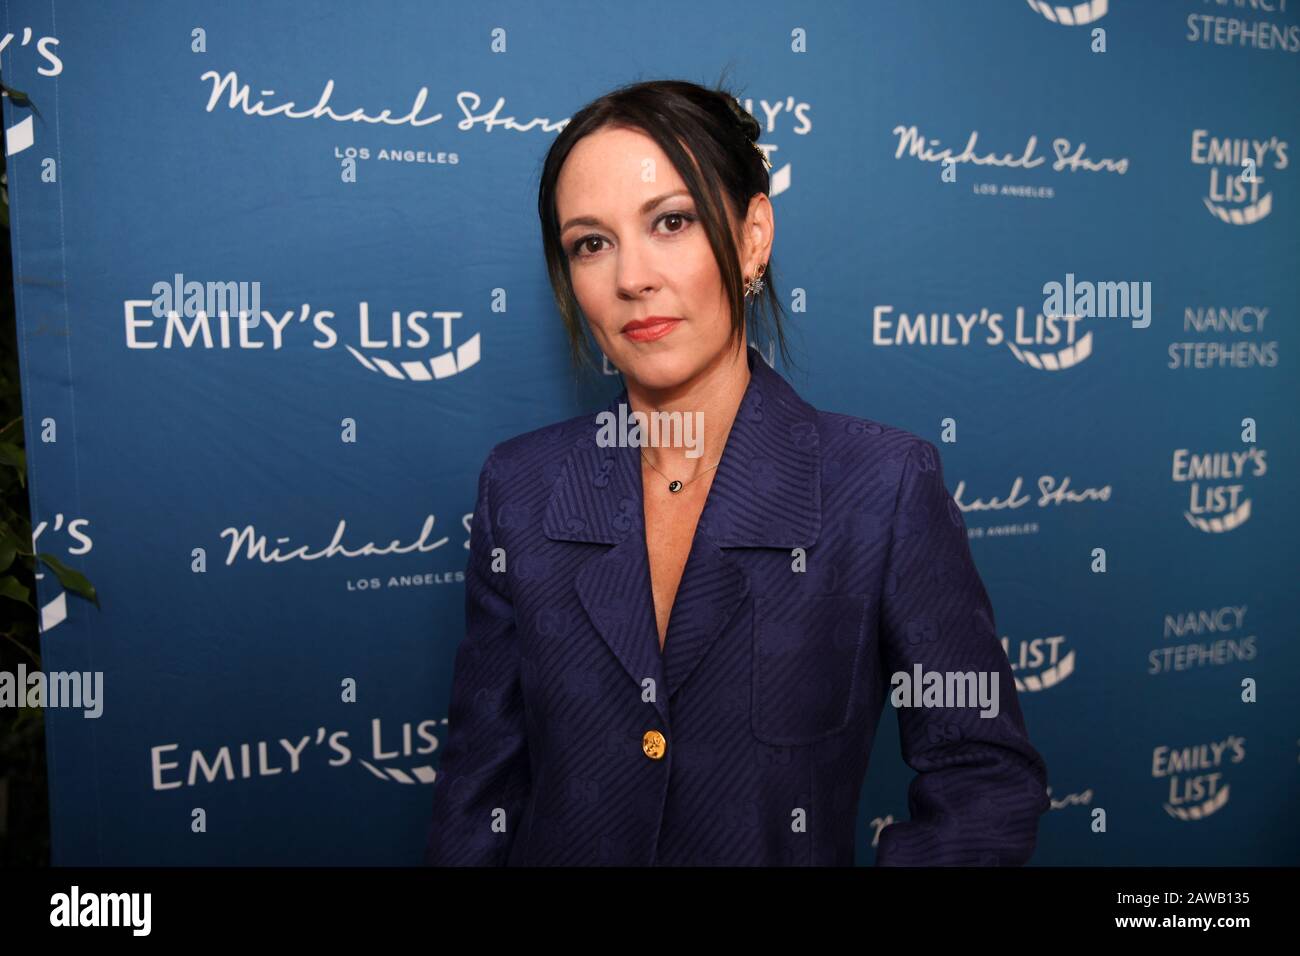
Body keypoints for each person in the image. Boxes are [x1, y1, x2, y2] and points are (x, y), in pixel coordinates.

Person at [423, 78, 1050, 866]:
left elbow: (983, 776)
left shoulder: (882, 487)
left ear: (753, 235)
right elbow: (479, 790)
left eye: (672, 222)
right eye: (592, 242)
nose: (631, 278)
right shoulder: (520, 487)